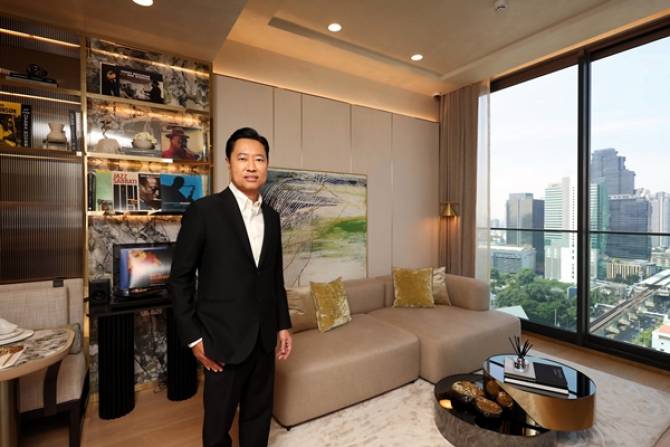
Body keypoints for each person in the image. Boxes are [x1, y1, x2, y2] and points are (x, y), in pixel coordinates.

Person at [169, 127, 292, 447]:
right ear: (229, 162)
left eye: (259, 159)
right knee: (217, 427)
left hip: (263, 339)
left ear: (267, 165)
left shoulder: (272, 217)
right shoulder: (203, 212)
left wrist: (282, 325)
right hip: (221, 342)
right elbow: (180, 279)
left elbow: (274, 277)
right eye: (243, 158)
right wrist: (194, 338)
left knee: (258, 417)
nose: (251, 166)